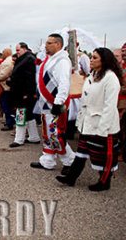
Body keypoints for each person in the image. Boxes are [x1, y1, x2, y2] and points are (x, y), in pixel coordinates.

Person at [56, 48, 122, 191]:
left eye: (95, 58)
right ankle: (71, 178)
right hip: (88, 123)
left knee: (104, 155)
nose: (91, 60)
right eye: (91, 57)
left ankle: (104, 182)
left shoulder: (111, 78)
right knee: (81, 153)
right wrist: (80, 121)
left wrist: (103, 128)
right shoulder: (92, 75)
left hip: (102, 125)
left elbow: (109, 106)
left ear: (104, 61)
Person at [30, 34, 75, 173]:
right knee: (48, 133)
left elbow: (64, 83)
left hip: (54, 104)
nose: (46, 46)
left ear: (58, 44)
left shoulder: (62, 61)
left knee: (56, 134)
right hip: (46, 105)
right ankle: (48, 160)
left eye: (49, 43)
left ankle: (70, 161)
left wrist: (58, 102)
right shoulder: (50, 59)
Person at [9, 43, 40, 147]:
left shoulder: (29, 59)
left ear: (24, 49)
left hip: (24, 93)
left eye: (18, 50)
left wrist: (27, 93)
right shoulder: (25, 59)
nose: (16, 52)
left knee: (21, 114)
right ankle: (34, 137)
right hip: (22, 92)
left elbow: (30, 78)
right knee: (29, 115)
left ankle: (19, 139)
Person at [0, 48, 15, 131]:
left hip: (6, 87)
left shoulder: (8, 62)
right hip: (4, 86)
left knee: (6, 106)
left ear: (7, 53)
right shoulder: (8, 61)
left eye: (3, 52)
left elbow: (4, 74)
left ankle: (9, 123)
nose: (2, 54)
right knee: (4, 105)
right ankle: (9, 121)